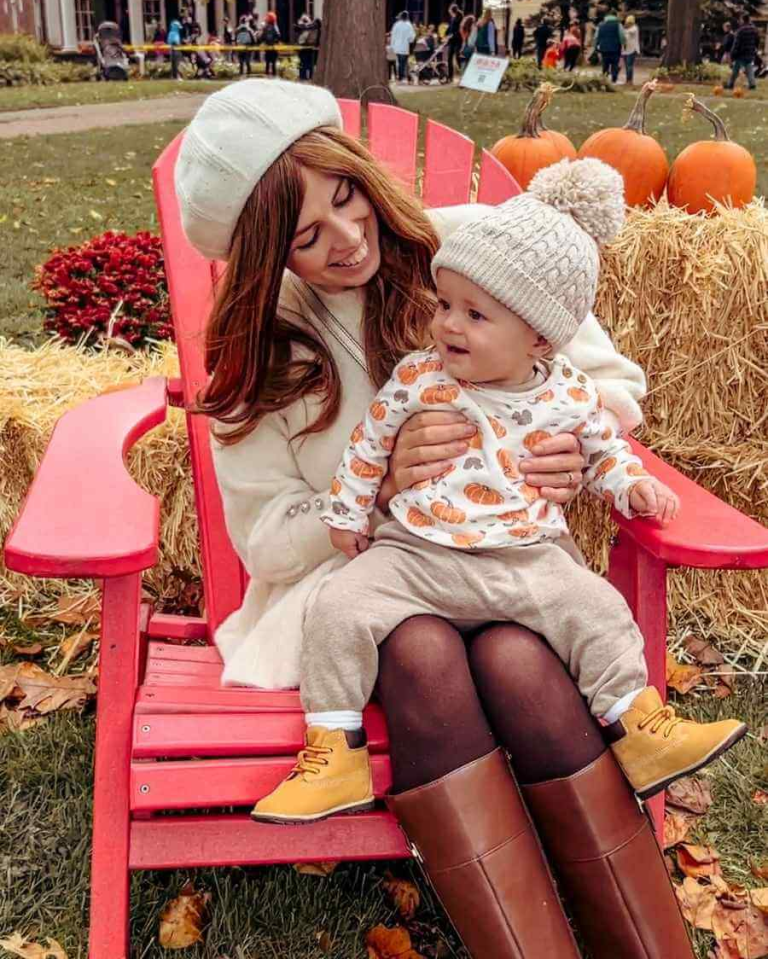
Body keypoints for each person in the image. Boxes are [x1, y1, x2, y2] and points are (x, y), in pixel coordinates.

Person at [174, 78, 698, 959]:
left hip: (506, 559)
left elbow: (608, 390)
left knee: (518, 657)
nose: (347, 241)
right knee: (420, 649)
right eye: (307, 237)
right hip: (359, 581)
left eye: (348, 201)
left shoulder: (473, 248)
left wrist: (570, 453)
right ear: (266, 258)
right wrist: (370, 488)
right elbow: (263, 540)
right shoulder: (265, 349)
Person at [251, 155, 747, 826]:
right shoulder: (420, 377)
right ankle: (334, 750)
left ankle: (641, 726)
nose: (450, 326)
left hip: (523, 560)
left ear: (539, 336)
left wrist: (628, 486)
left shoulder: (568, 387)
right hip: (417, 555)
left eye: (475, 316)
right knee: (338, 609)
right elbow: (368, 446)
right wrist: (349, 508)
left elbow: (606, 443)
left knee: (597, 609)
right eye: (445, 305)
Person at [725, 12, 759, 90]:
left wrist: (732, 54)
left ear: (742, 20)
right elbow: (757, 40)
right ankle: (752, 84)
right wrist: (755, 48)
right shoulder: (754, 30)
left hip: (741, 53)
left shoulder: (740, 30)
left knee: (736, 69)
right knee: (748, 68)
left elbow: (736, 43)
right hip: (750, 52)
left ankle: (730, 84)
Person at [595, 9, 626, 82]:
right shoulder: (618, 25)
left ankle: (604, 79)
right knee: (614, 64)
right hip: (615, 48)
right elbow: (622, 36)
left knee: (605, 64)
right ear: (615, 16)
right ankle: (614, 79)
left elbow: (596, 37)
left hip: (604, 48)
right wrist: (623, 45)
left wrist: (596, 45)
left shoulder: (600, 25)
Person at [390, 10, 416, 83]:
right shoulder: (409, 25)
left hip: (396, 46)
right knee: (403, 62)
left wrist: (392, 45)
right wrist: (410, 41)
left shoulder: (396, 25)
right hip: (404, 46)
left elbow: (393, 35)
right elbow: (412, 37)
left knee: (398, 62)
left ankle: (401, 77)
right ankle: (404, 77)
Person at [297, 13, 320, 81]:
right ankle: (309, 77)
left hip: (306, 48)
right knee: (309, 64)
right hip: (310, 49)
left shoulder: (308, 29)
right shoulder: (312, 28)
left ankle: (304, 77)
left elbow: (302, 40)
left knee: (304, 64)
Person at [445, 3, 464, 81]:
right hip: (451, 41)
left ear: (453, 11)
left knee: (457, 57)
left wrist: (452, 35)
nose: (450, 13)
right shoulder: (452, 18)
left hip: (458, 40)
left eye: (450, 11)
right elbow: (449, 28)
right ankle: (450, 76)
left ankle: (462, 74)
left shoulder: (460, 19)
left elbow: (460, 31)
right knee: (449, 58)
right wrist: (446, 34)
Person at [259, 12, 281, 77]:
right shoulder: (275, 27)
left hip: (267, 47)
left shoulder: (265, 27)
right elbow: (279, 36)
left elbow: (262, 37)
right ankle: (274, 76)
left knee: (267, 63)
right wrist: (276, 41)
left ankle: (266, 76)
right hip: (274, 47)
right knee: (274, 63)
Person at [622, 14, 640, 85]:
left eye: (629, 22)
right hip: (625, 50)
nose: (628, 24)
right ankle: (627, 80)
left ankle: (630, 80)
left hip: (632, 49)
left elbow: (629, 32)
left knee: (629, 65)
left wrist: (623, 29)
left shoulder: (635, 28)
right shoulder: (626, 29)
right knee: (626, 66)